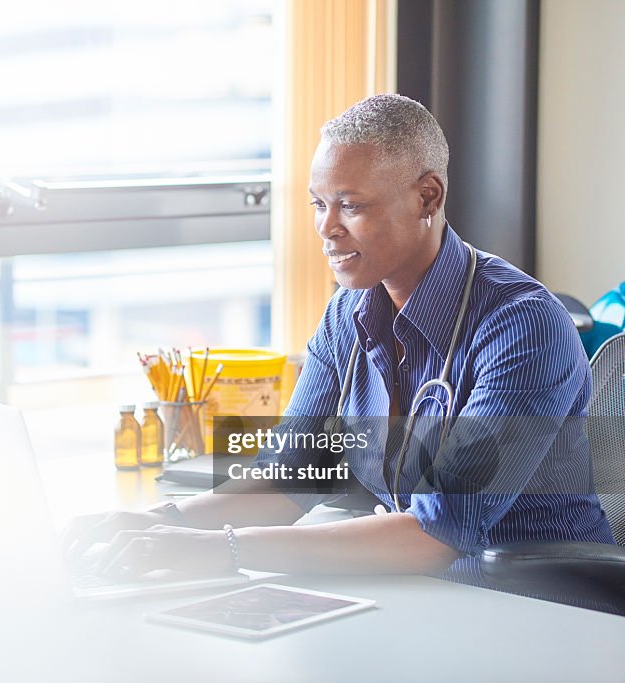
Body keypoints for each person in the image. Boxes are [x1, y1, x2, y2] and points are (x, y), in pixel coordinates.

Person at [63, 94, 615, 581]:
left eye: (351, 205)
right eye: (318, 204)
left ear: (427, 197)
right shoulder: (345, 314)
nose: (327, 228)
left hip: (539, 605)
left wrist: (219, 550)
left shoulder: (521, 326)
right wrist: (158, 524)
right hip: (418, 598)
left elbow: (436, 534)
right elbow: (289, 479)